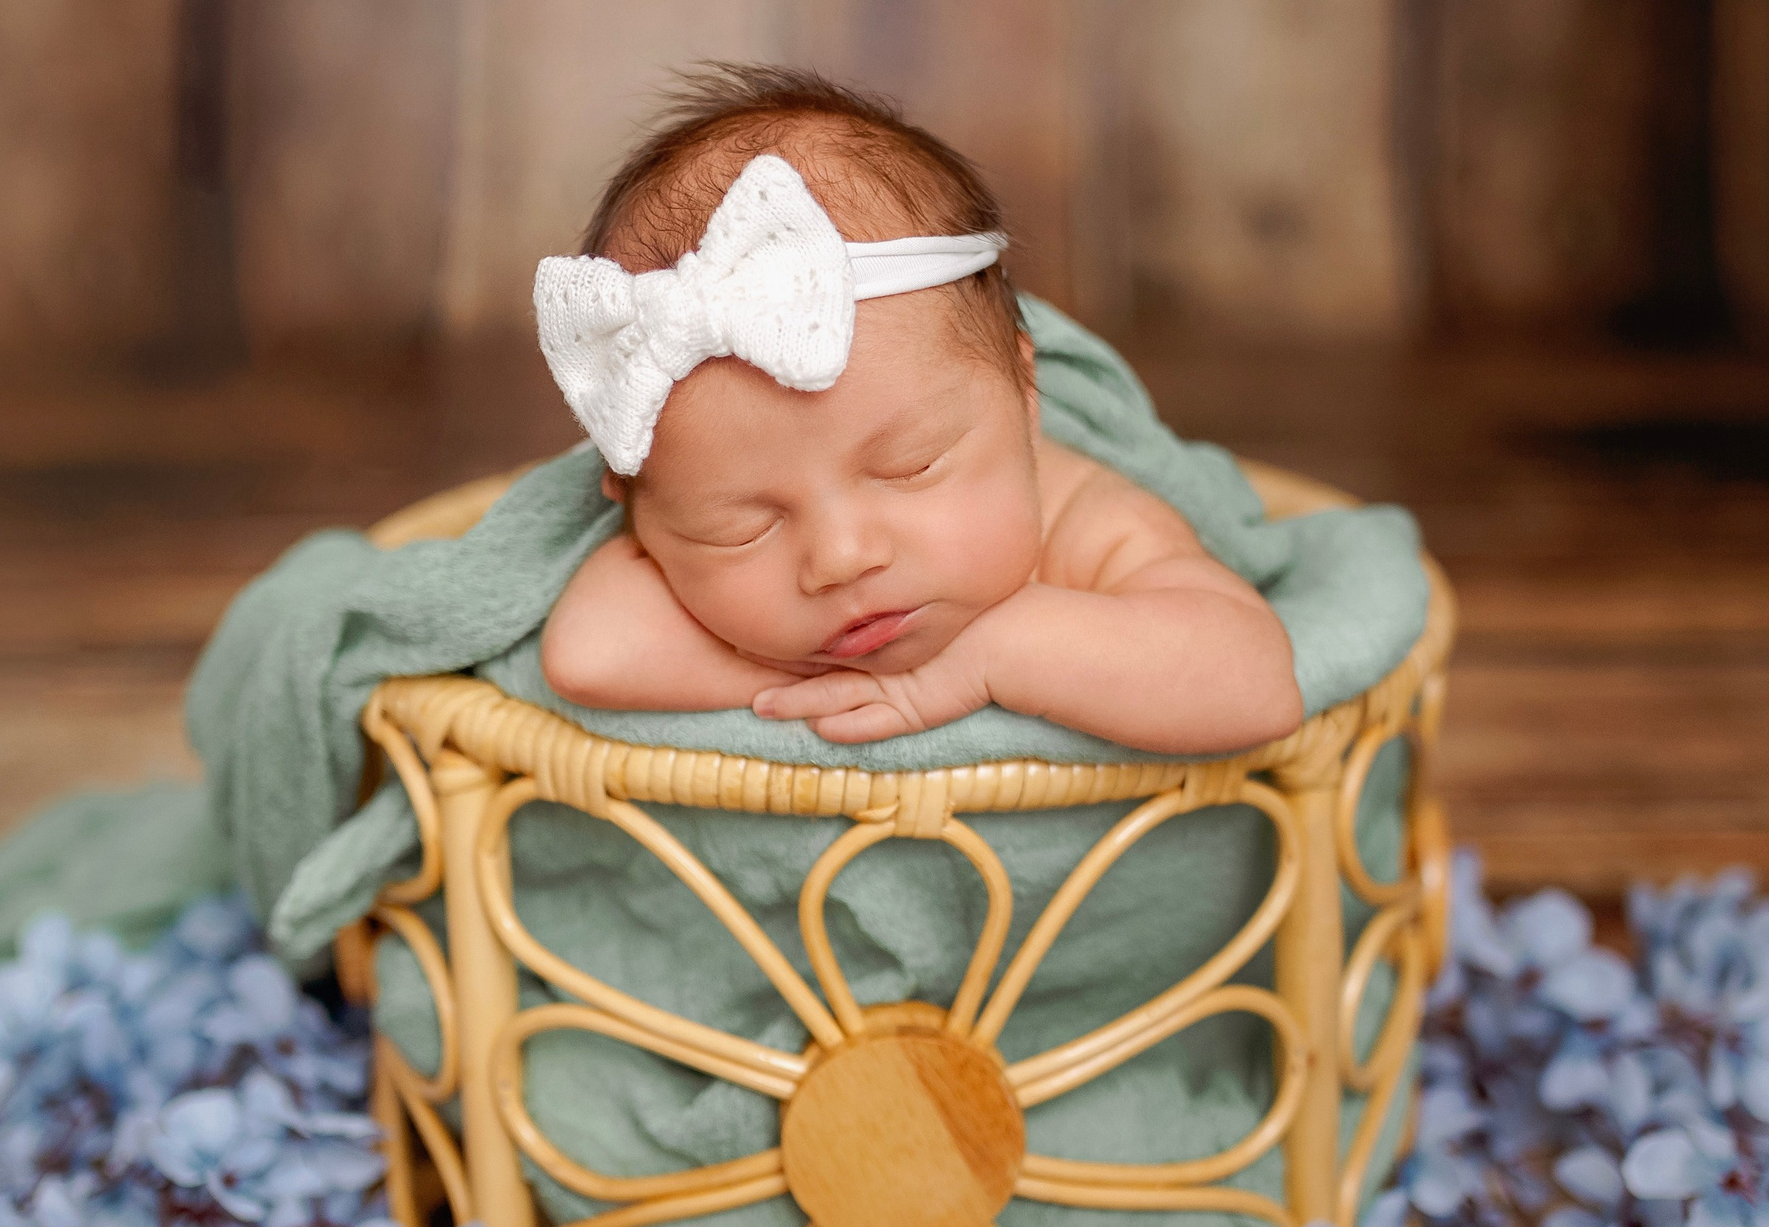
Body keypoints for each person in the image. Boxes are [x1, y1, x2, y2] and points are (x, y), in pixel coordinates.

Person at [536, 66, 1301, 756]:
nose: (841, 557)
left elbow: (1254, 683)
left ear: (1026, 399)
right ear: (634, 504)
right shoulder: (674, 523)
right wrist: (851, 689)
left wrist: (991, 658)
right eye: (740, 526)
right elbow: (590, 651)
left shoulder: (1086, 517)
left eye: (909, 467)